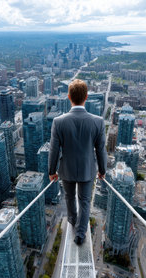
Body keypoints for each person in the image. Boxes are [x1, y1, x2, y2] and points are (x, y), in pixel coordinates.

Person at [48, 79, 107, 246]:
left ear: (69, 97)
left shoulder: (58, 122)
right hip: (88, 170)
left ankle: (72, 222)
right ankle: (80, 234)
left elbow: (54, 150)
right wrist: (102, 170)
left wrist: (51, 171)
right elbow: (101, 150)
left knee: (69, 197)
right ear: (86, 97)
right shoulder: (98, 121)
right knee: (85, 201)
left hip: (66, 169)